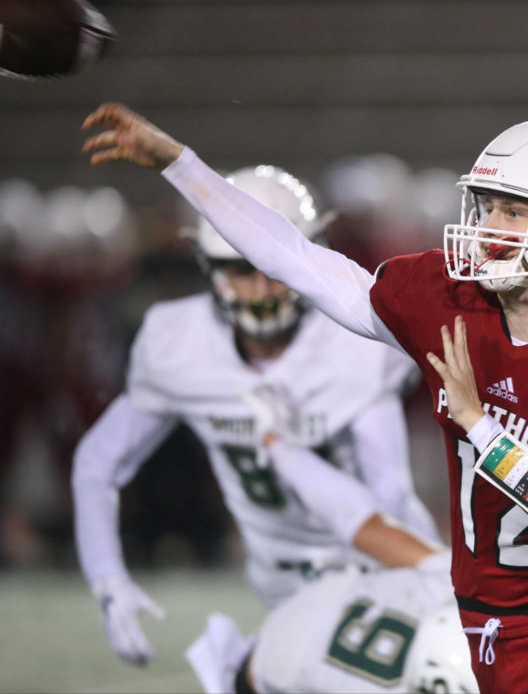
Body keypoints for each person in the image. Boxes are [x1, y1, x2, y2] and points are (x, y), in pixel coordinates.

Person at [82, 102, 528, 693]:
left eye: (515, 210)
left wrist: (478, 423)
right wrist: (179, 162)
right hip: (473, 616)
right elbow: (294, 258)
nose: (489, 227)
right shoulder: (449, 303)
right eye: (488, 207)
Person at [71, 163, 436, 667]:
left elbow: (388, 494)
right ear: (210, 269)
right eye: (242, 270)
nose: (262, 288)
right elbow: (98, 462)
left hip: (385, 570)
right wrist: (107, 578)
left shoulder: (357, 342)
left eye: (275, 268)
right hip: (280, 585)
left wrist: (291, 458)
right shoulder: (177, 340)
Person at [184, 388, 475, 694]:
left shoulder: (458, 589)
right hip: (277, 658)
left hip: (293, 636)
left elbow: (365, 527)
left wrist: (279, 448)